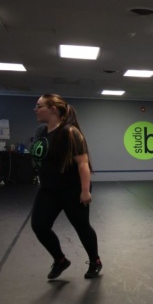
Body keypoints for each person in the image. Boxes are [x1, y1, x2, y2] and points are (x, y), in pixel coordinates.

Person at [30, 94, 101, 279]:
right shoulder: (41, 131)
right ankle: (60, 260)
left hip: (72, 188)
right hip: (48, 188)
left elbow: (83, 164)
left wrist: (85, 191)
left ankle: (95, 261)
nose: (35, 110)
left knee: (82, 226)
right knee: (39, 226)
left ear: (53, 109)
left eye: (39, 106)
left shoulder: (70, 132)